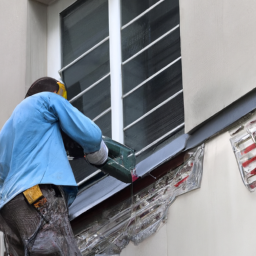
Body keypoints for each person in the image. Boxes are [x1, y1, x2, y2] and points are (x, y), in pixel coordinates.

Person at [0, 77, 108, 256]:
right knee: (54, 250)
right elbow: (92, 135)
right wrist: (99, 154)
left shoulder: (6, 130)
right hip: (36, 195)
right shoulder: (47, 99)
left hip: (9, 211)